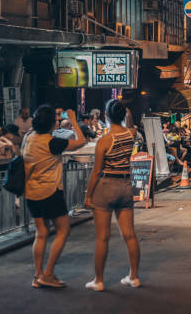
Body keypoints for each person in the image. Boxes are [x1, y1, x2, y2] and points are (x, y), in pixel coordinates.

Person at [22, 105, 86, 288]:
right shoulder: (52, 143)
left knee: (41, 233)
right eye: (55, 120)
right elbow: (81, 141)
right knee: (63, 230)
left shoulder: (28, 138)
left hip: (31, 193)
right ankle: (48, 274)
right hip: (50, 192)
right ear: (51, 124)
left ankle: (38, 275)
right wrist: (73, 120)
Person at [84, 100, 140, 291]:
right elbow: (131, 124)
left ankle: (98, 281)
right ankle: (134, 277)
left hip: (106, 186)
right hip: (125, 186)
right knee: (130, 235)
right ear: (123, 114)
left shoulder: (105, 140)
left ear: (106, 116)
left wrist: (88, 195)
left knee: (102, 238)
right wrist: (126, 112)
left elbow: (96, 171)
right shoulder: (131, 134)